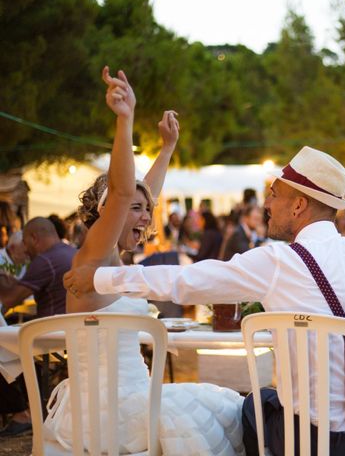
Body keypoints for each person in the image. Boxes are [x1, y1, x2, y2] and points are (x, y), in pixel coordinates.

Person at [64, 145, 345, 456]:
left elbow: (186, 281)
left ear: (299, 205)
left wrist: (97, 276)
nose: (266, 203)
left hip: (310, 441)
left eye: (274, 194)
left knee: (254, 404)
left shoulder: (277, 262)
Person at [50, 67, 244, 455]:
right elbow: (124, 193)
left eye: (147, 211)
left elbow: (138, 195)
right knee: (226, 409)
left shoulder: (112, 263)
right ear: (110, 214)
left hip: (127, 401)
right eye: (135, 211)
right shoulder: (93, 256)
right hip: (113, 411)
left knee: (226, 406)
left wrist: (168, 148)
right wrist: (125, 120)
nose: (145, 217)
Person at [0, 217, 76, 437]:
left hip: (52, 337)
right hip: (71, 332)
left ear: (34, 238)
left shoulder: (45, 260)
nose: (24, 248)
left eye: (25, 242)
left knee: (6, 347)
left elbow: (11, 299)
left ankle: (25, 412)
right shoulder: (70, 252)